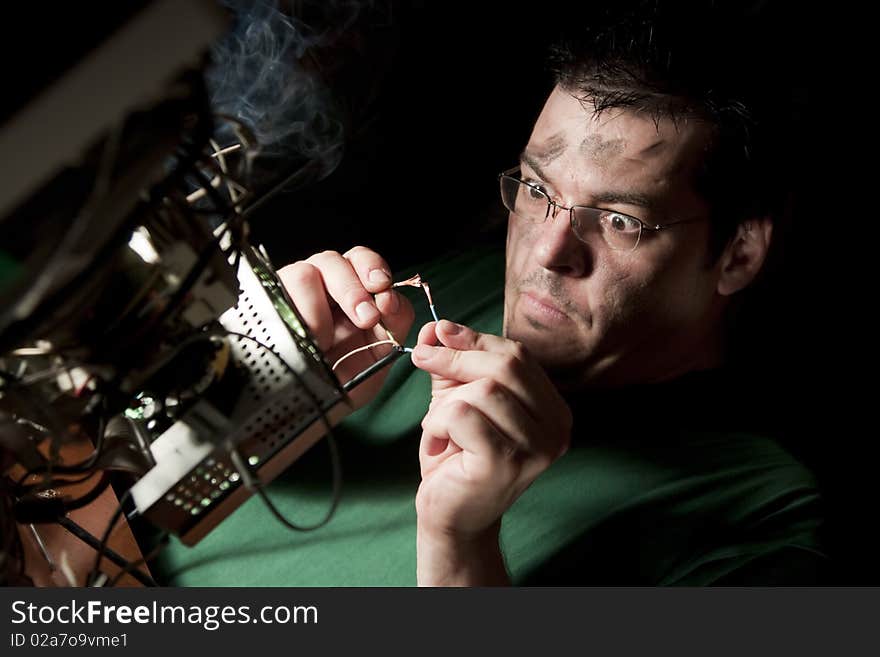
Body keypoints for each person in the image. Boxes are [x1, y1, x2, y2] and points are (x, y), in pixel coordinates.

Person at [274, 1, 825, 585]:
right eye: (537, 188)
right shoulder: (467, 283)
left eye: (618, 220)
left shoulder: (761, 518)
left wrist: (461, 546)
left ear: (738, 253)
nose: (544, 252)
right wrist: (260, 390)